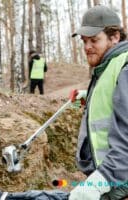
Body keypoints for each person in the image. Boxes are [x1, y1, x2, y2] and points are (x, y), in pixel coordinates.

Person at [69, 5, 128, 200]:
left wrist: (98, 183)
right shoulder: (107, 66)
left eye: (94, 40)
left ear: (115, 37)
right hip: (111, 177)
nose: (87, 47)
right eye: (84, 41)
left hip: (118, 180)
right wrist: (89, 97)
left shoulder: (124, 68)